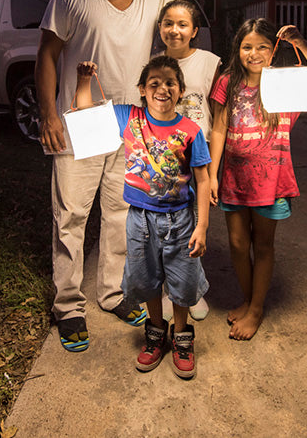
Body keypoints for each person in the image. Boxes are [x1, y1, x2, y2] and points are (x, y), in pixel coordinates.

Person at [35, 0, 210, 353]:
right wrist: (48, 114)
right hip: (84, 119)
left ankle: (112, 293)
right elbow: (47, 55)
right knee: (72, 216)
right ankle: (68, 305)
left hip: (131, 123)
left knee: (120, 216)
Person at [74, 56, 211, 379]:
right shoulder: (128, 117)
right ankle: (155, 334)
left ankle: (181, 337)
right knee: (147, 278)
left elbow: (203, 179)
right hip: (140, 220)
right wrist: (83, 80)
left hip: (181, 220)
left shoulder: (191, 130)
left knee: (181, 280)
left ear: (180, 91)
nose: (162, 89)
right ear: (142, 90)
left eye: (169, 83)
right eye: (154, 83)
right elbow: (83, 114)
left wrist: (202, 225)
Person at [207, 19, 307, 340]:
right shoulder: (228, 82)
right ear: (237, 50)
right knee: (238, 244)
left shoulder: (286, 81)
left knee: (262, 245)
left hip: (272, 180)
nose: (254, 53)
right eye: (246, 46)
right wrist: (212, 174)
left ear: (273, 49)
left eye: (262, 46)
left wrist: (300, 43)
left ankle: (255, 309)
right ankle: (250, 299)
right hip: (234, 178)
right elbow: (220, 128)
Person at [154, 0, 221, 322]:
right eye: (168, 23)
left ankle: (193, 291)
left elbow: (218, 115)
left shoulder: (210, 62)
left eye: (182, 25)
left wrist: (214, 172)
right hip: (162, 157)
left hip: (197, 156)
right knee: (166, 228)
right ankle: (169, 291)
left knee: (195, 225)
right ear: (160, 28)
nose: (175, 30)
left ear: (195, 31)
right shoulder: (152, 62)